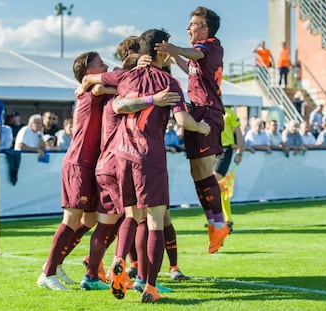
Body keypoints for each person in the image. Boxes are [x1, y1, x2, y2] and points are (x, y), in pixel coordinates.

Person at [81, 29, 210, 303]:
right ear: (161, 50)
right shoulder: (168, 82)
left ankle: (119, 261)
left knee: (131, 216)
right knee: (155, 222)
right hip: (149, 158)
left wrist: (85, 86)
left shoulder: (126, 77)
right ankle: (150, 286)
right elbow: (183, 121)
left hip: (122, 158)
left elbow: (104, 91)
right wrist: (202, 126)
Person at [154, 6, 232, 255]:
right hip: (198, 110)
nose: (189, 27)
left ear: (205, 28)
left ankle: (219, 223)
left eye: (193, 24)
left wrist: (175, 49)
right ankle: (214, 224)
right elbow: (193, 69)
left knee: (204, 171)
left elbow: (195, 56)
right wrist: (176, 57)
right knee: (197, 172)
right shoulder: (199, 54)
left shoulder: (211, 45)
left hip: (207, 111)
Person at [37, 51, 113, 291]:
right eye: (100, 63)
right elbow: (119, 85)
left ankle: (57, 263)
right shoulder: (93, 91)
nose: (106, 65)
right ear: (89, 72)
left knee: (89, 219)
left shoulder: (93, 89)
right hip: (79, 163)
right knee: (70, 219)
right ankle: (47, 273)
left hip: (91, 164)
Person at [213, 106, 244, 225]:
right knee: (218, 186)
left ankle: (221, 218)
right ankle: (225, 218)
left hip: (225, 150)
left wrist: (240, 152)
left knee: (214, 180)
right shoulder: (209, 112)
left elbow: (239, 134)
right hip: (212, 150)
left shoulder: (229, 113)